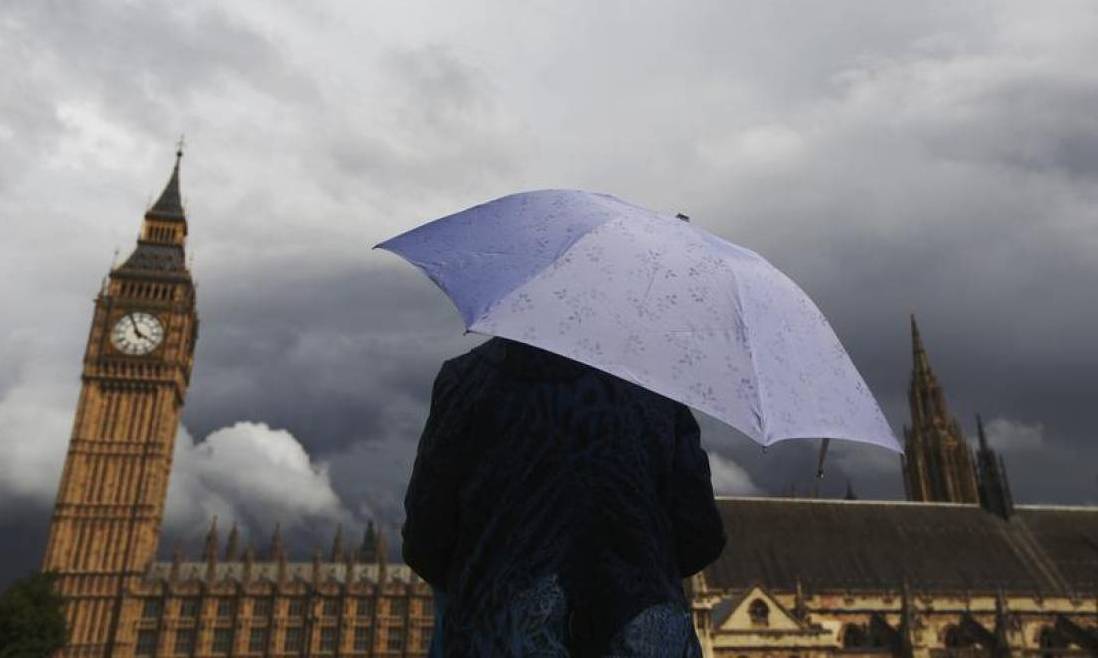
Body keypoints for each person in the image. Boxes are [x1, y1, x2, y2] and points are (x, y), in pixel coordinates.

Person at [403, 337, 726, 657]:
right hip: (637, 633)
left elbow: (425, 542)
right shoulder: (657, 387)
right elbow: (701, 536)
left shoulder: (466, 379)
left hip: (500, 633)